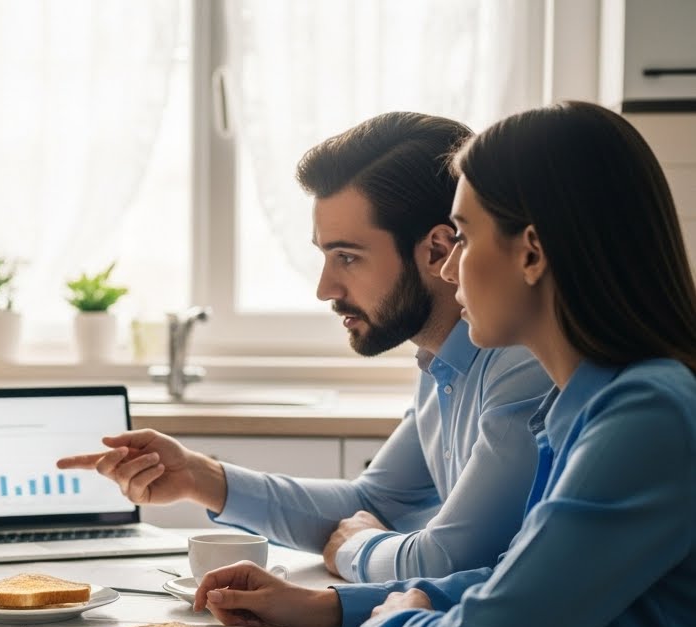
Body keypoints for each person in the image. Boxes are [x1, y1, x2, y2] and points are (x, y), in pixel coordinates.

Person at [194, 101, 696, 627]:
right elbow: (515, 578)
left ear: (530, 252)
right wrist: (340, 607)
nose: (449, 266)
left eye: (461, 236)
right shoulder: (590, 403)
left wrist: (386, 618)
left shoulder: (644, 416)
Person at [59, 112, 553, 582]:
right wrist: (198, 476)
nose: (325, 288)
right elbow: (373, 504)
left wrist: (357, 548)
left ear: (438, 250)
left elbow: (448, 558)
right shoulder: (441, 366)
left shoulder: (523, 364)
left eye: (348, 257)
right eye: (325, 255)